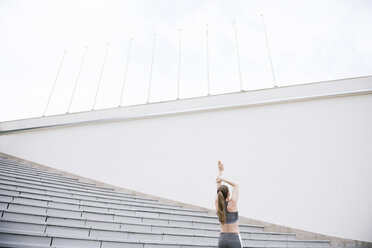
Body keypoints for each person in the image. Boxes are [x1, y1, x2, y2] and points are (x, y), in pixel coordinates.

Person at [215, 161, 243, 248]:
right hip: (234, 239)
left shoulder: (217, 204)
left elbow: (218, 189)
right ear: (228, 194)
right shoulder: (232, 204)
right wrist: (222, 178)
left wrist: (220, 172)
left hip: (222, 239)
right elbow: (236, 185)